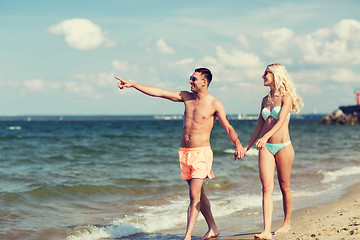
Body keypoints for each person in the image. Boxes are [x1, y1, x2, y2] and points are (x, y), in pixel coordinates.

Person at [116, 68, 246, 240]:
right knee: (199, 194)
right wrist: (133, 85)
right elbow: (160, 93)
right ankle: (213, 228)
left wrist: (238, 144)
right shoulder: (186, 97)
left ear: (204, 82)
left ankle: (187, 236)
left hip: (201, 153)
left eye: (193, 79)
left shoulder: (214, 104)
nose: (190, 81)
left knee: (194, 195)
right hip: (185, 153)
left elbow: (228, 127)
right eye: (190, 78)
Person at [243, 63, 303, 240]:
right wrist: (246, 147)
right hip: (266, 148)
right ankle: (266, 230)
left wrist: (264, 137)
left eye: (266, 73)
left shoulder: (287, 97)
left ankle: (286, 222)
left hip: (284, 146)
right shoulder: (264, 100)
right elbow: (259, 126)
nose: (262, 76)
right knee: (266, 188)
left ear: (276, 75)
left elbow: (280, 121)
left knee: (284, 186)